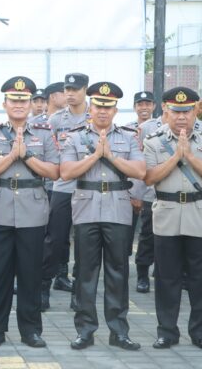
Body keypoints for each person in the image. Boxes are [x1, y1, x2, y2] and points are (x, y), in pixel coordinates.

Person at [61, 81, 145, 351]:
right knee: (86, 272)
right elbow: (66, 172)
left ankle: (119, 331)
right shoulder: (75, 136)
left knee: (118, 272)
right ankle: (85, 330)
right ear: (90, 107)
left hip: (118, 210)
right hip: (86, 209)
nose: (102, 111)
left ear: (115, 110)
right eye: (98, 105)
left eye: (108, 107)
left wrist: (111, 156)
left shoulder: (129, 136)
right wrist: (96, 155)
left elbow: (140, 171)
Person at [0, 76, 59, 349]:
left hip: (33, 209)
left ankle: (31, 330)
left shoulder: (45, 133)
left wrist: (27, 156)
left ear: (32, 103)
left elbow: (54, 172)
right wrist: (11, 156)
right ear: (5, 104)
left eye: (24, 100)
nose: (19, 105)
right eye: (14, 100)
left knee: (30, 273)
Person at [143, 87, 202, 349]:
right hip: (166, 215)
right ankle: (167, 331)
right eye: (176, 111)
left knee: (199, 278)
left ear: (196, 110)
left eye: (186, 111)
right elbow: (150, 177)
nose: (181, 117)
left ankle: (198, 332)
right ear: (165, 110)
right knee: (167, 278)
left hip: (198, 214)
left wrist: (188, 154)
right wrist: (176, 156)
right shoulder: (154, 141)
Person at [41, 73, 89, 311]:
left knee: (84, 242)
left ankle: (79, 293)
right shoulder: (56, 119)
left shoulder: (96, 116)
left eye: (75, 89)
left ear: (85, 90)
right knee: (54, 239)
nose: (70, 93)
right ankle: (44, 287)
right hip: (62, 186)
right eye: (67, 88)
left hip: (89, 188)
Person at [123, 91, 156, 293]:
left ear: (154, 106)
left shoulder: (161, 128)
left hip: (152, 191)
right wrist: (134, 193)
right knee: (125, 236)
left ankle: (144, 274)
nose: (144, 107)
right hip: (131, 191)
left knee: (148, 235)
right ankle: (122, 272)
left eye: (147, 104)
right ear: (135, 107)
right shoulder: (126, 129)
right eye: (140, 104)